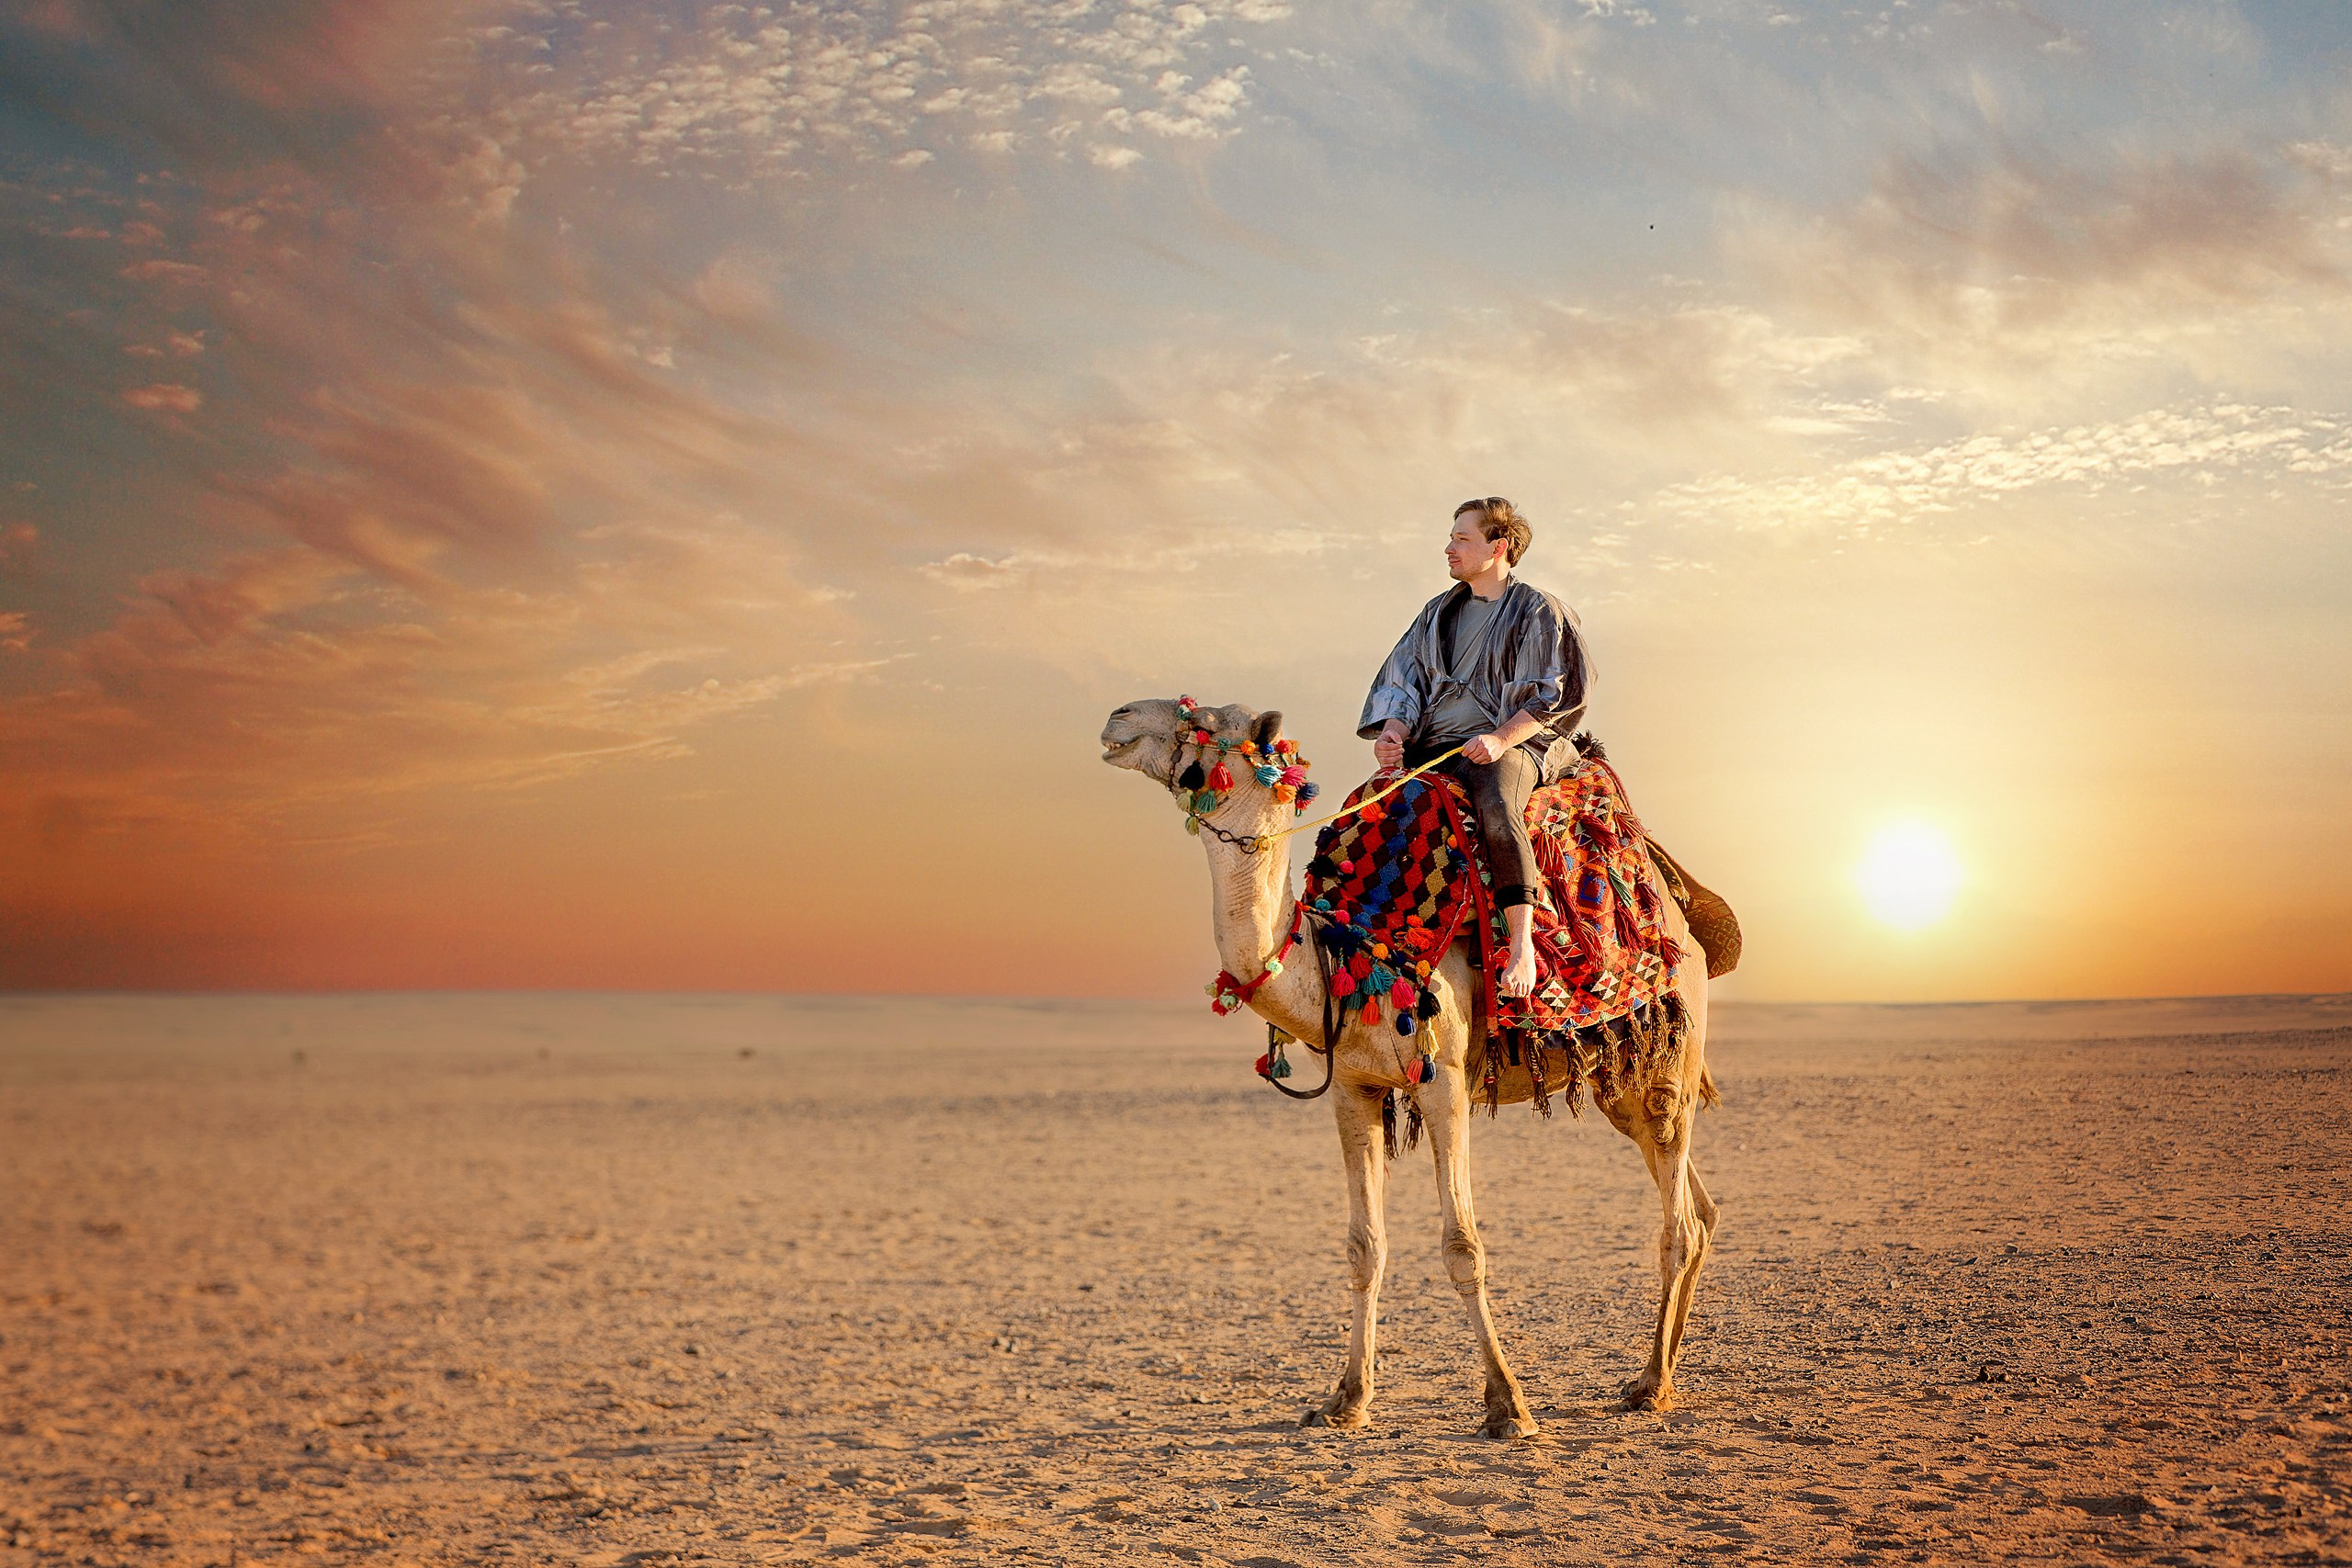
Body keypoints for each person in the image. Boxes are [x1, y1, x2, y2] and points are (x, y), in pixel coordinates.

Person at [1358, 497, 1593, 998]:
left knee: (1496, 802)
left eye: (1462, 539)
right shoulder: (1436, 614)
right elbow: (1406, 682)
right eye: (1452, 538)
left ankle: (1522, 945)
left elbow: (1554, 694)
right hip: (1437, 745)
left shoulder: (1538, 610)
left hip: (1515, 743)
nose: (1448, 549)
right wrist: (1395, 733)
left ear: (1499, 547)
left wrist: (1500, 737)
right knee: (1366, 812)